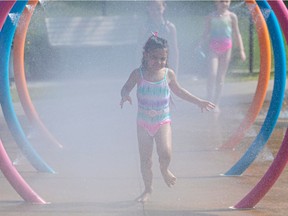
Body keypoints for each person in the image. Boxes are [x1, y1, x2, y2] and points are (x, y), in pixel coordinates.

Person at [120, 35, 215, 202]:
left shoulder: (168, 74)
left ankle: (164, 170)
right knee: (146, 159)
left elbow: (179, 91)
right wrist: (125, 95)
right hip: (143, 123)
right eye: (154, 58)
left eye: (163, 58)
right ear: (146, 55)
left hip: (162, 121)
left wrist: (198, 101)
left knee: (166, 152)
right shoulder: (138, 74)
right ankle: (148, 189)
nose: (159, 62)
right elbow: (126, 87)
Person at [201, 0, 246, 112]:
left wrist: (241, 50)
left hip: (226, 49)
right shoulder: (210, 17)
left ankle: (216, 103)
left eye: (227, 1)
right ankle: (209, 99)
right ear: (216, 2)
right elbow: (206, 33)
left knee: (220, 78)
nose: (224, 4)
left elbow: (237, 33)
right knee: (212, 74)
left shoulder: (232, 16)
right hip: (213, 48)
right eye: (221, 1)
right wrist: (200, 44)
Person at [137, 0, 179, 74]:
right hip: (149, 67)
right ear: (148, 8)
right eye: (152, 9)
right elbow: (139, 50)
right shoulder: (144, 28)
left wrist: (174, 71)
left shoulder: (170, 28)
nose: (155, 12)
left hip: (165, 65)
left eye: (158, 9)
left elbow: (174, 51)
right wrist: (139, 69)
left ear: (164, 7)